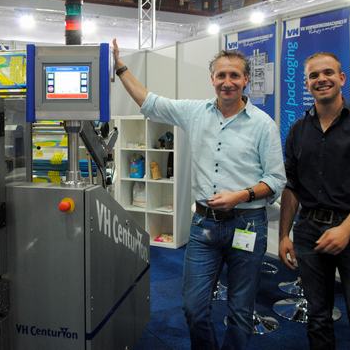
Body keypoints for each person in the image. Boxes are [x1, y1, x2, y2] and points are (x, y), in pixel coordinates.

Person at [112, 39, 286, 349]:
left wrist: (240, 195)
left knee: (240, 311)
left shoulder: (263, 125)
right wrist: (121, 68)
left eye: (234, 75)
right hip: (204, 227)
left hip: (247, 224)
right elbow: (150, 102)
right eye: (221, 75)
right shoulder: (195, 112)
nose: (227, 82)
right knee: (194, 308)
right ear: (212, 79)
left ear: (246, 79)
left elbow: (275, 180)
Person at [278, 52, 350, 350]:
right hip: (308, 232)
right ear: (306, 84)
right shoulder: (298, 130)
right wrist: (284, 235)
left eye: (328, 73)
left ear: (342, 78)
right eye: (313, 76)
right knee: (317, 319)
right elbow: (292, 186)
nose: (321, 79)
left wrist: (346, 229)